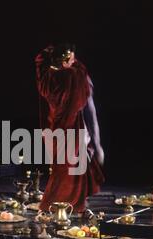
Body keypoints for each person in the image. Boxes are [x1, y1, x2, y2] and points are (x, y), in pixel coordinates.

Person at [35, 43, 105, 214]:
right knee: (70, 173)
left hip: (54, 132)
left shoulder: (47, 78)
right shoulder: (77, 76)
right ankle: (68, 206)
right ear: (66, 61)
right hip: (72, 132)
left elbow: (40, 61)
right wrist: (97, 144)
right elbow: (89, 110)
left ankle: (62, 206)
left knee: (63, 171)